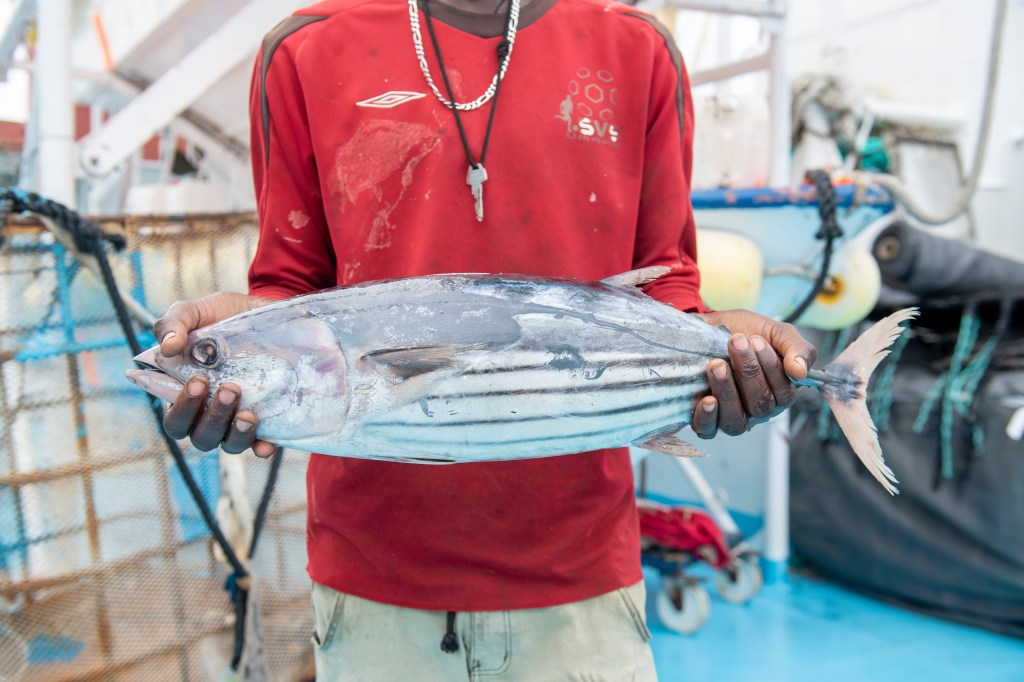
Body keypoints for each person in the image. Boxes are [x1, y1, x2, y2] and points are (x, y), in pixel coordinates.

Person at [153, 0, 816, 679]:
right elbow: (290, 289)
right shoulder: (304, 48)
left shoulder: (638, 48)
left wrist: (721, 349)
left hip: (580, 575)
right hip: (374, 576)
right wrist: (234, 353)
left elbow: (665, 287)